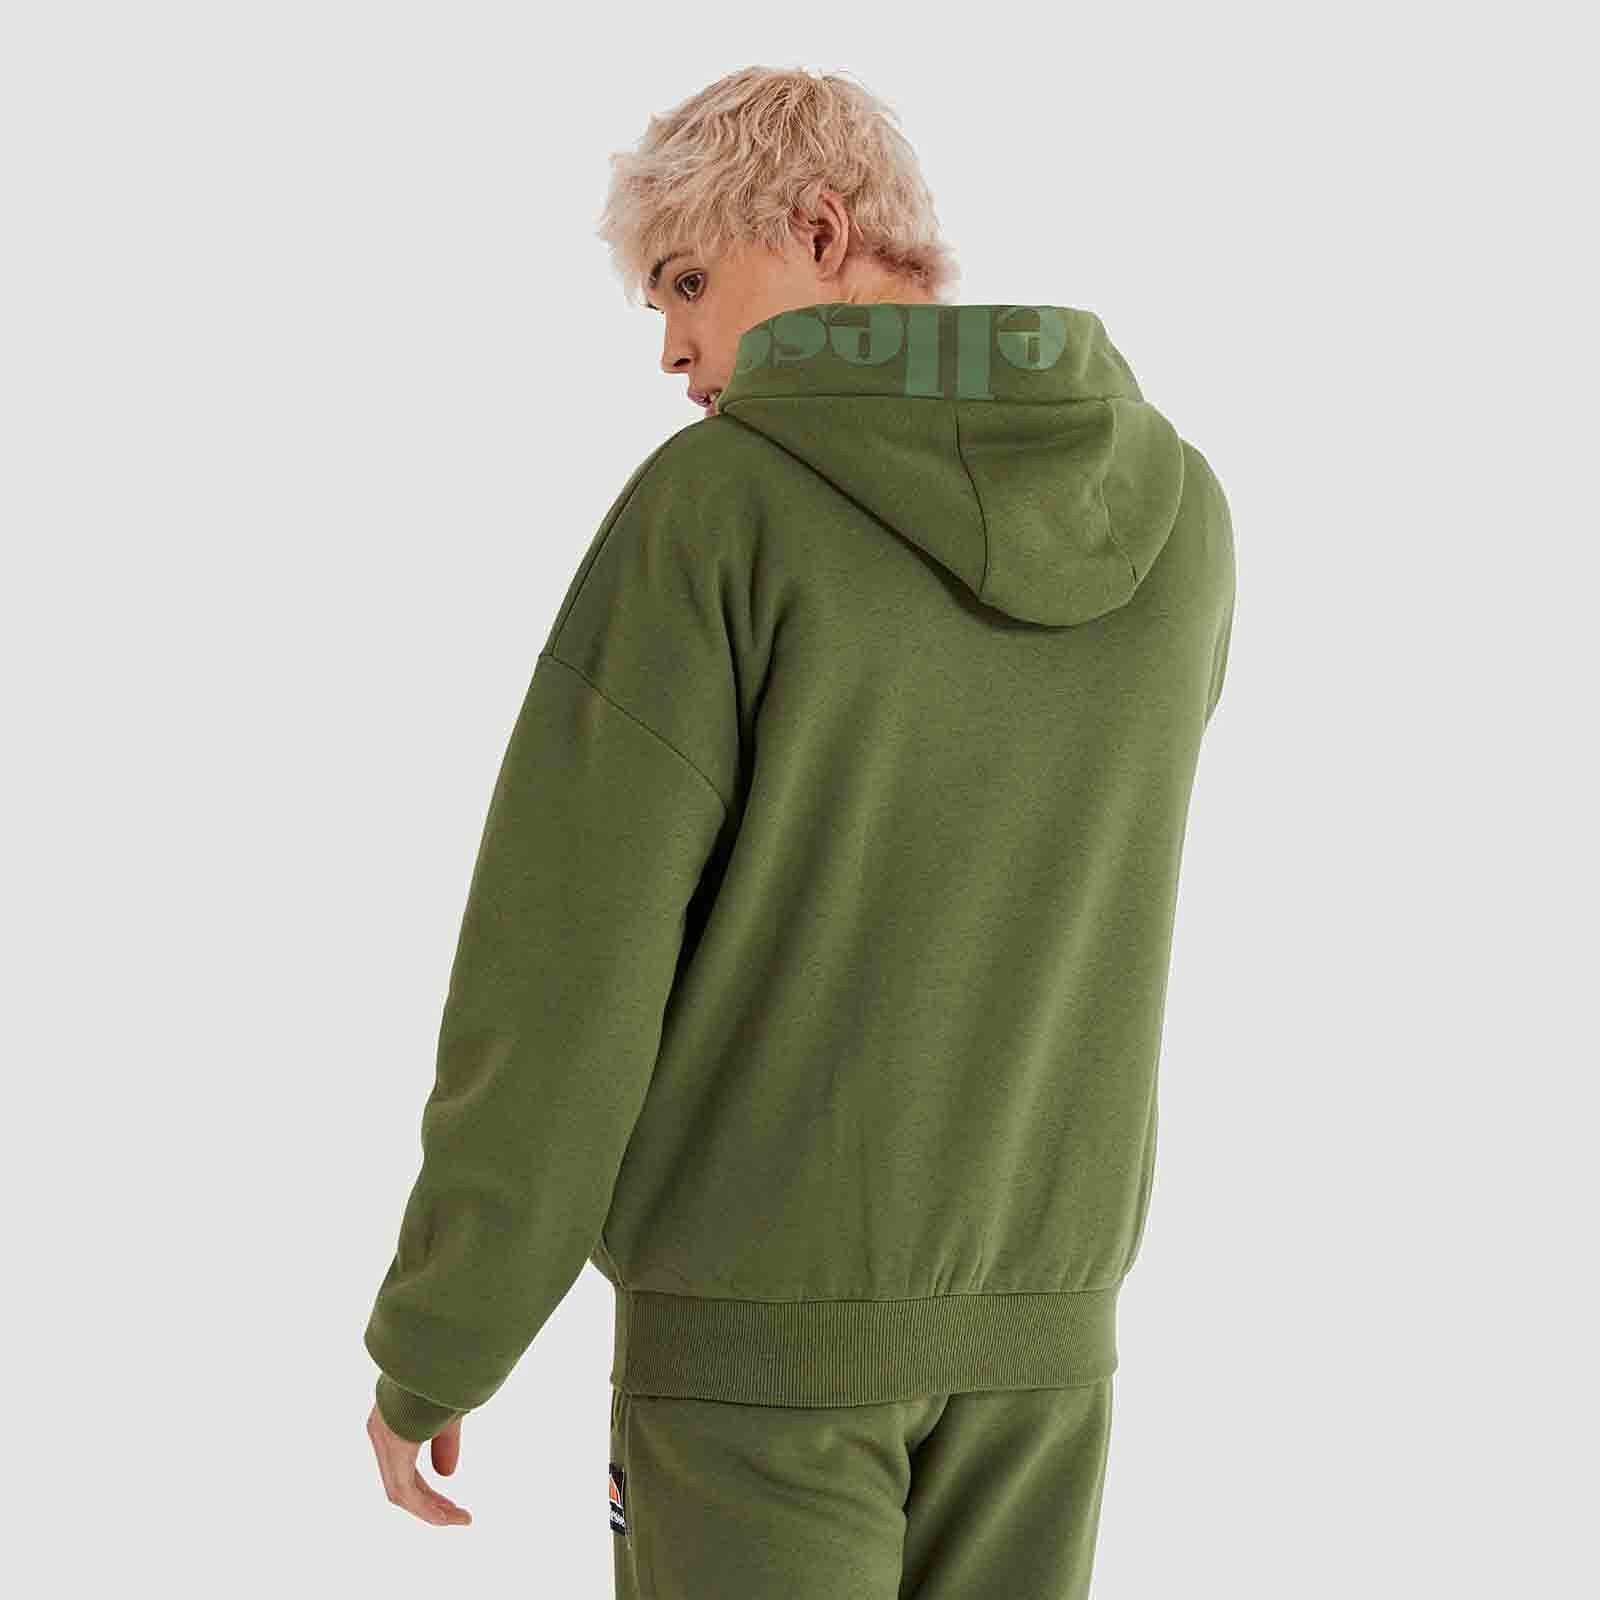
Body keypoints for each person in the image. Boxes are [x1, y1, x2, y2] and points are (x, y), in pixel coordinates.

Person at [363, 64, 1236, 1598]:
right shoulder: (1180, 519)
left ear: (823, 231)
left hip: (754, 1368)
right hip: (1043, 1356)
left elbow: (564, 973)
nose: (671, 347)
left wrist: (442, 1335)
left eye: (688, 282)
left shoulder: (718, 510)